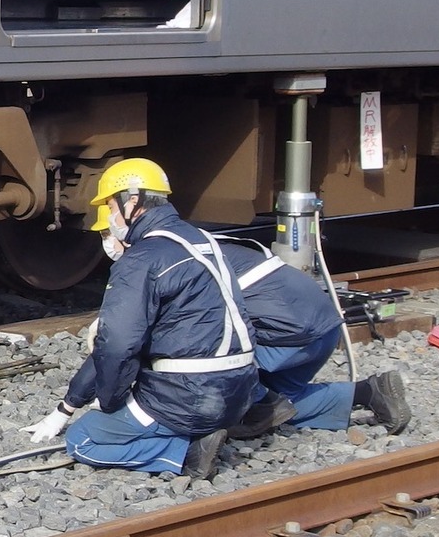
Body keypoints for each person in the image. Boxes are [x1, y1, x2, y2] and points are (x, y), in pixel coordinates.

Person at [24, 159, 261, 478]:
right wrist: (67, 405)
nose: (108, 218)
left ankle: (185, 453)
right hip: (242, 388)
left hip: (194, 396)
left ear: (132, 200)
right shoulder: (202, 240)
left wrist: (109, 403)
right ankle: (197, 430)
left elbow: (118, 346)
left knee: (84, 440)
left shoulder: (142, 258)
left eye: (110, 206)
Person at [211, 236, 411, 437]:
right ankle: (367, 392)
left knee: (198, 362)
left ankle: (259, 402)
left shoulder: (185, 260)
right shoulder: (205, 243)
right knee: (283, 404)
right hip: (325, 325)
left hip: (286, 337)